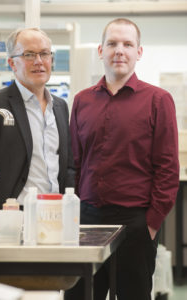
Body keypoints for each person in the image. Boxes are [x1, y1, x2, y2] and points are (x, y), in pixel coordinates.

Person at [65, 18, 179, 300]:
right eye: (112, 43)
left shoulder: (158, 100)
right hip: (87, 221)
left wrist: (150, 224)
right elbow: (74, 163)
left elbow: (167, 168)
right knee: (79, 296)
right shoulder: (82, 100)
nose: (120, 50)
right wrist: (74, 213)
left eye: (128, 44)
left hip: (135, 222)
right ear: (100, 51)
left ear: (139, 52)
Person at [0, 28, 75, 208]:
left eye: (44, 54)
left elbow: (67, 166)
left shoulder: (60, 106)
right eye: (29, 55)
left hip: (56, 211)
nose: (38, 61)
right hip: (12, 213)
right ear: (12, 63)